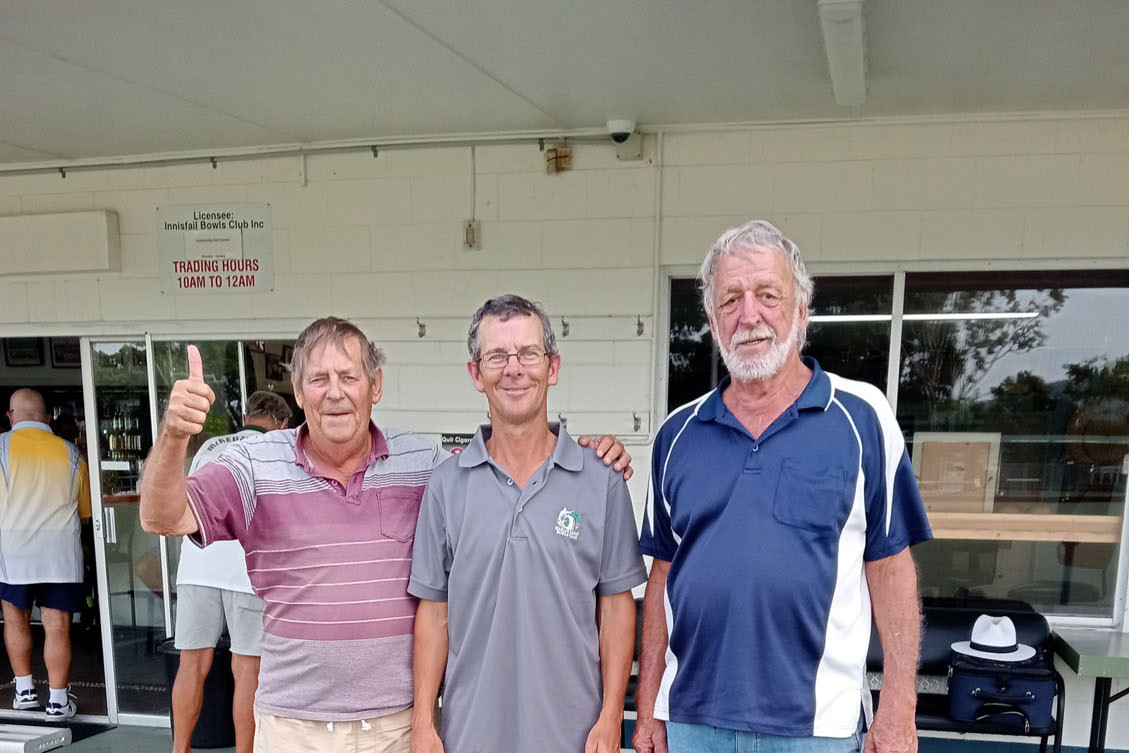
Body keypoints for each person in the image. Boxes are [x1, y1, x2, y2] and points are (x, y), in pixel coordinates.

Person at [140, 316, 631, 753]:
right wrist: (174, 436)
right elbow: (163, 517)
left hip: (396, 729)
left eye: (349, 377)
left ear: (375, 386)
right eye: (319, 378)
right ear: (297, 388)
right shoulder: (252, 464)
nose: (335, 392)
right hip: (295, 729)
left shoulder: (425, 467)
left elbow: (511, 465)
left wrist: (596, 454)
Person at [633, 220, 933, 753]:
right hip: (693, 722)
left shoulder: (862, 419)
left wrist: (899, 704)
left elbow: (890, 568)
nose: (750, 315)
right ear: (711, 319)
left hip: (815, 726)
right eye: (730, 300)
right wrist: (651, 706)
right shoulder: (676, 435)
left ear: (802, 309)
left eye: (767, 294)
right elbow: (663, 577)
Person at [409, 295, 647, 753]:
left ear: (552, 368)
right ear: (476, 374)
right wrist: (424, 720)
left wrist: (611, 716)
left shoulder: (601, 480)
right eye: (496, 356)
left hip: (575, 737)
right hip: (469, 735)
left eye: (528, 354)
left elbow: (617, 609)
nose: (514, 368)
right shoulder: (446, 485)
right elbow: (434, 613)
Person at [171, 390, 292, 753]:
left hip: (196, 562)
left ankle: (180, 749)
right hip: (244, 568)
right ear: (282, 421)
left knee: (192, 664)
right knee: (246, 670)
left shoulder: (210, 446)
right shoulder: (276, 446)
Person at [0, 388, 92, 720]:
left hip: (13, 553)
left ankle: (24, 692)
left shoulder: (0, 447)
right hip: (60, 553)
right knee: (56, 627)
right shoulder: (71, 453)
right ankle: (57, 700)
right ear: (48, 417)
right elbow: (86, 511)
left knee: (14, 619)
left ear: (10, 416)